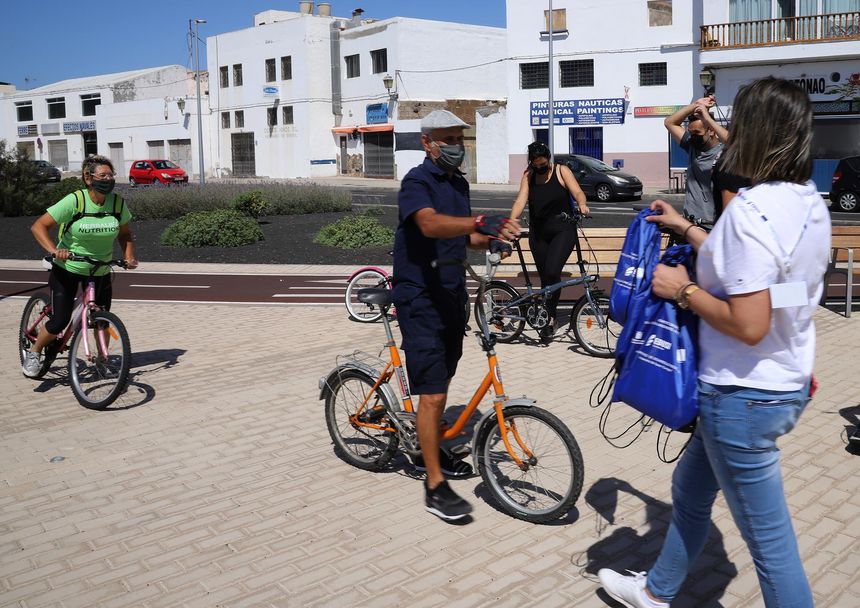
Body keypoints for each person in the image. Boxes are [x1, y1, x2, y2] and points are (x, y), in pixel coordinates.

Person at [598, 77, 830, 607]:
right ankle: (657, 593)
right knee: (691, 488)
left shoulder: (751, 212)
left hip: (742, 396)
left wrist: (683, 291)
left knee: (772, 549)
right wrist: (686, 228)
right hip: (779, 381)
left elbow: (748, 321)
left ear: (752, 131)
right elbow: (778, 288)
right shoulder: (808, 203)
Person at [392, 109, 520, 521]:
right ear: (427, 143)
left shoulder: (457, 182)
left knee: (442, 380)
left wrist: (494, 238)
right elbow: (429, 225)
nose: (456, 147)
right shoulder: (417, 182)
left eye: (460, 139)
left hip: (450, 294)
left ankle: (432, 447)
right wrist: (479, 220)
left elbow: (466, 234)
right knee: (431, 393)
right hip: (419, 298)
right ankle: (433, 483)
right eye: (448, 139)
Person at [23, 155, 138, 377]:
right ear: (88, 178)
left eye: (110, 175)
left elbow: (125, 234)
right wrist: (55, 251)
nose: (108, 179)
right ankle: (35, 351)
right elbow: (39, 226)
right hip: (69, 268)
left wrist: (129, 257)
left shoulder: (117, 203)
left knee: (101, 319)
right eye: (102, 175)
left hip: (100, 269)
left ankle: (103, 360)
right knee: (59, 322)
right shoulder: (75, 201)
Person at [509, 141, 589, 342]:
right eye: (536, 164)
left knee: (553, 271)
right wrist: (512, 220)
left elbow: (578, 192)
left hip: (563, 231)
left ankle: (551, 316)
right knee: (546, 279)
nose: (540, 167)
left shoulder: (561, 171)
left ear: (549, 158)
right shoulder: (528, 176)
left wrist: (582, 205)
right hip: (539, 235)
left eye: (542, 163)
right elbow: (520, 200)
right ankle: (545, 317)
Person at [664, 95, 729, 229]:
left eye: (697, 133)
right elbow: (670, 122)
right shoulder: (692, 146)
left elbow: (736, 144)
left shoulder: (724, 154)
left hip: (711, 226)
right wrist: (696, 105)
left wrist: (708, 119)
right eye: (690, 133)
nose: (692, 137)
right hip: (690, 224)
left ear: (711, 131)